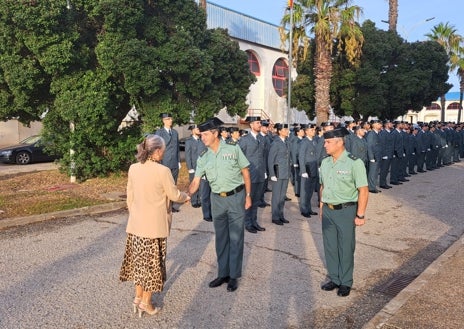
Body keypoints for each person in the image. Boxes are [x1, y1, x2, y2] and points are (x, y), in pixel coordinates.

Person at [120, 134, 190, 317]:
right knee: (152, 266)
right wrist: (186, 197)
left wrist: (135, 213)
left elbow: (130, 196)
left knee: (138, 264)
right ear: (157, 151)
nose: (164, 154)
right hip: (154, 227)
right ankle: (146, 303)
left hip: (136, 225)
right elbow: (174, 195)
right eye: (163, 151)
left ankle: (138, 297)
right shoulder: (163, 171)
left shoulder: (133, 168)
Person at [188, 117, 252, 292]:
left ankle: (233, 276)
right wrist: (185, 195)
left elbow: (245, 172)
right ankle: (223, 273)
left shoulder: (233, 149)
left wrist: (248, 195)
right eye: (201, 135)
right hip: (217, 200)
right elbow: (195, 182)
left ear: (215, 134)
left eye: (206, 134)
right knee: (221, 237)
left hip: (236, 197)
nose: (203, 138)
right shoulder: (203, 158)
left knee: (236, 237)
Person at [319, 127, 368, 297]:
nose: (325, 145)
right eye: (325, 141)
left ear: (340, 142)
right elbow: (323, 185)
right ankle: (334, 278)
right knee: (330, 246)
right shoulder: (325, 162)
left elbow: (363, 189)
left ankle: (345, 281)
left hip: (346, 210)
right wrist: (321, 206)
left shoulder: (355, 162)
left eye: (328, 142)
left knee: (346, 247)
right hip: (328, 210)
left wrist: (360, 214)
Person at [238, 116, 266, 233]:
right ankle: (247, 223)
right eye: (257, 123)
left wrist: (264, 171)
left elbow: (263, 156)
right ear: (251, 125)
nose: (260, 125)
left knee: (256, 201)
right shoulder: (244, 140)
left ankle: (254, 222)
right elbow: (239, 158)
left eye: (260, 123)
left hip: (260, 175)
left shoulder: (261, 138)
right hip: (249, 175)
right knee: (248, 199)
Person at [268, 123, 291, 225]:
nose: (287, 131)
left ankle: (281, 215)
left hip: (285, 173)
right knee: (276, 196)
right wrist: (272, 174)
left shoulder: (286, 142)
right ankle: (275, 216)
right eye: (285, 129)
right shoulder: (276, 143)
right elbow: (270, 159)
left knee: (282, 197)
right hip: (277, 173)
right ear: (279, 131)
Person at [298, 124, 318, 218]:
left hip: (313, 168)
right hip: (307, 169)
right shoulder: (304, 142)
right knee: (304, 191)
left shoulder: (314, 141)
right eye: (311, 130)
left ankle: (309, 209)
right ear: (306, 131)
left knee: (310, 191)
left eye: (314, 130)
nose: (313, 131)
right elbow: (301, 157)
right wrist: (303, 171)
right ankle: (304, 210)